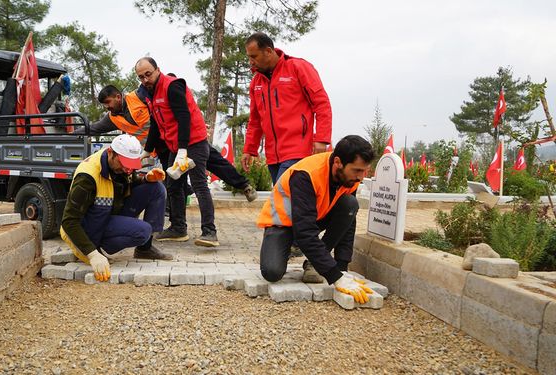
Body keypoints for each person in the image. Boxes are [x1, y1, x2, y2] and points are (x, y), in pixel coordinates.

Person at [257, 135, 376, 304]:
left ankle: (315, 261)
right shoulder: (306, 174)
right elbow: (305, 232)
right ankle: (288, 246)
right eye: (357, 170)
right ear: (338, 162)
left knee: (350, 204)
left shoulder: (350, 178)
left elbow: (348, 222)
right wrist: (335, 277)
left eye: (365, 171)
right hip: (282, 225)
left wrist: (342, 268)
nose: (361, 177)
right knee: (272, 272)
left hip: (311, 221)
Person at [89, 84, 257, 202]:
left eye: (108, 103)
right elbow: (92, 128)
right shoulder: (112, 118)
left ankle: (244, 185)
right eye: (104, 106)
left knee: (213, 160)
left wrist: (194, 123)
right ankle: (179, 214)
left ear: (118, 97)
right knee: (173, 180)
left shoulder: (139, 97)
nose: (107, 108)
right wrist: (66, 130)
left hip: (180, 137)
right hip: (162, 148)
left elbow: (170, 103)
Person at [60, 134, 172, 282]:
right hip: (91, 226)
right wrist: (92, 254)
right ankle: (99, 246)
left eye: (130, 165)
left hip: (109, 212)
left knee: (156, 188)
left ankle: (145, 249)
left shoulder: (121, 167)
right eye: (124, 164)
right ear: (110, 153)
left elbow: (127, 183)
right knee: (143, 230)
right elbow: (68, 222)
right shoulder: (87, 177)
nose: (128, 170)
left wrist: (145, 179)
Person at [135, 57, 219, 247]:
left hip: (194, 143)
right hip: (175, 146)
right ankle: (178, 228)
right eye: (141, 77)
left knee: (199, 185)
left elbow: (184, 117)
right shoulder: (151, 94)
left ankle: (209, 232)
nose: (145, 80)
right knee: (173, 186)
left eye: (148, 74)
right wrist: (146, 152)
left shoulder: (173, 86)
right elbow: (156, 124)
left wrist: (183, 150)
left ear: (158, 70)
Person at [241, 32, 332, 184]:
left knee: (282, 199)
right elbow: (255, 120)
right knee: (286, 201)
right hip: (272, 156)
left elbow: (322, 104)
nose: (251, 62)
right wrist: (249, 149)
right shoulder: (256, 82)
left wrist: (322, 139)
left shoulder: (299, 67)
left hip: (298, 151)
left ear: (268, 51)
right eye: (249, 57)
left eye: (254, 56)